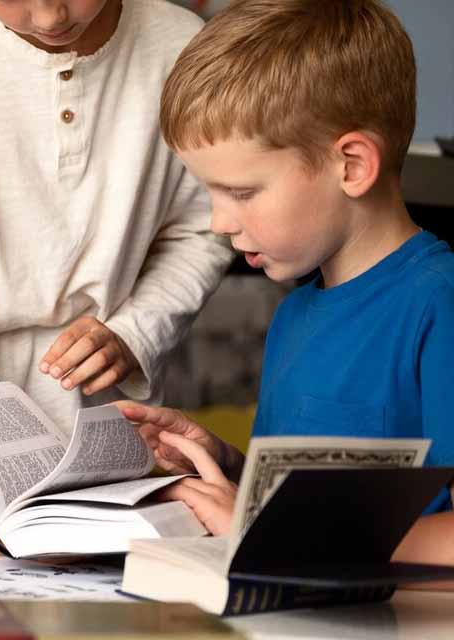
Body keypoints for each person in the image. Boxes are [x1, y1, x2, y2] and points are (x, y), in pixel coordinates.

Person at [119, 0, 454, 577]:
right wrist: (220, 463)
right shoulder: (295, 313)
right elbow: (317, 506)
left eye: (242, 193)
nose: (219, 222)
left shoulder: (437, 303)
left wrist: (268, 532)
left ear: (351, 165)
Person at [0, 0, 232, 549]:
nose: (48, 16)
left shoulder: (184, 50)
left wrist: (137, 330)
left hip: (114, 430)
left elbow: (206, 226)